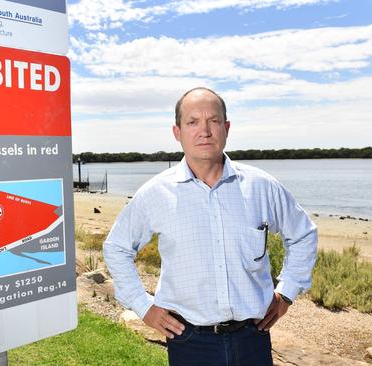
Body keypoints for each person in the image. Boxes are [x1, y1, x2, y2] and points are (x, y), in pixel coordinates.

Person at [103, 87, 318, 365]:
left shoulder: (261, 186)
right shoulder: (155, 193)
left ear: (226, 128)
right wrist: (144, 306)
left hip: (252, 337)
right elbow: (117, 248)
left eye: (213, 121)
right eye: (192, 122)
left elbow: (303, 235)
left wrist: (287, 291)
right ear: (177, 132)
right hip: (189, 341)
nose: (204, 131)